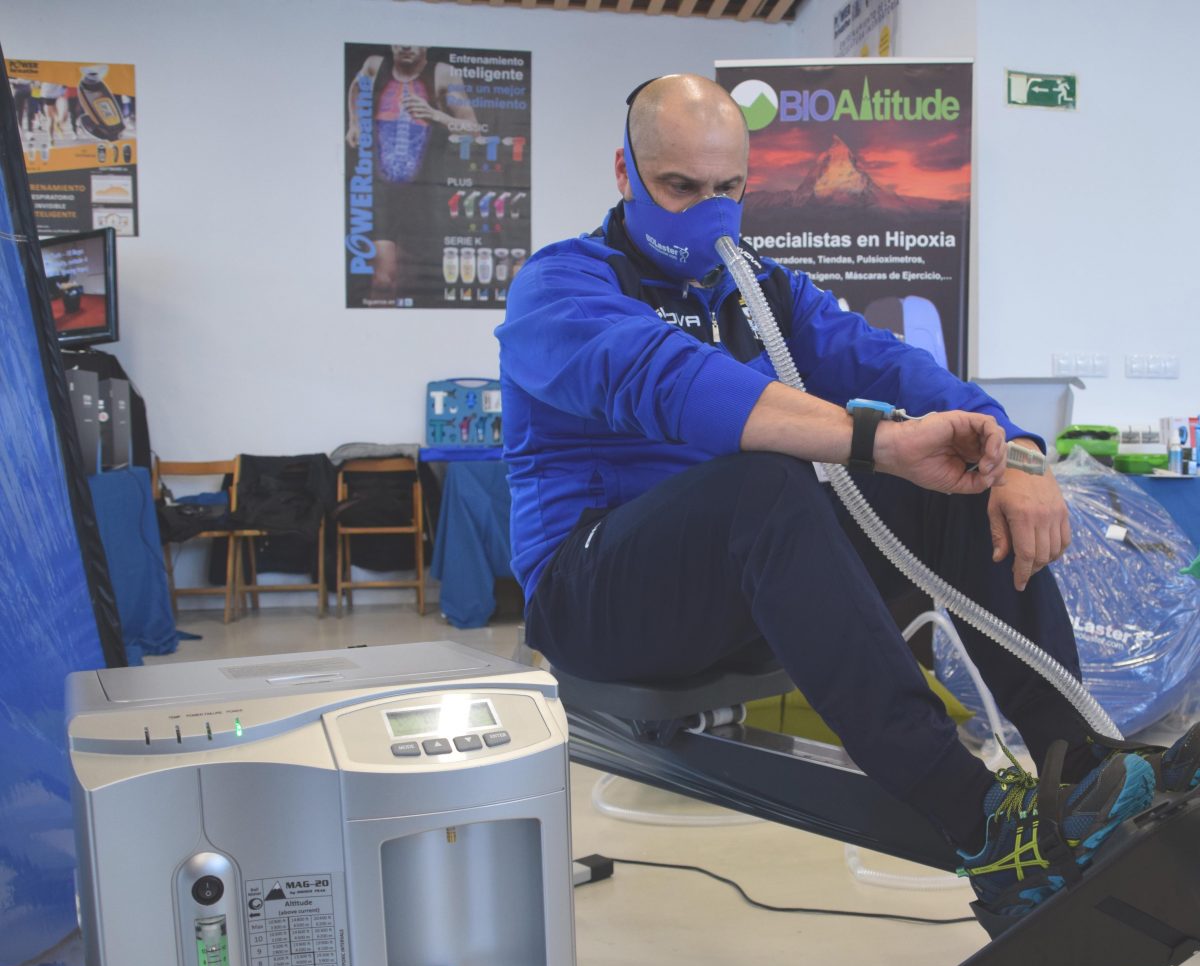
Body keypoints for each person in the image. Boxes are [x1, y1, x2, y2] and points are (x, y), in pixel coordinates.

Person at [497, 74, 1200, 920]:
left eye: (728, 190)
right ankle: (979, 820)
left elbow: (889, 364)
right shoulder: (560, 288)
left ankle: (1081, 768)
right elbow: (677, 385)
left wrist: (1014, 452)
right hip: (592, 592)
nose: (707, 213)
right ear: (625, 172)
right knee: (766, 477)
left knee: (949, 480)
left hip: (730, 582)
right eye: (680, 188)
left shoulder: (761, 291)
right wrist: (877, 439)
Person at [346, 46, 481, 304]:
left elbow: (473, 129)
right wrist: (354, 122)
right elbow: (356, 87)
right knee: (383, 279)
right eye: (399, 43)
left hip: (424, 194)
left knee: (416, 283)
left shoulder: (444, 75)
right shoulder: (375, 65)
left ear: (426, 46)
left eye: (413, 43)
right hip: (383, 190)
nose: (406, 47)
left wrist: (436, 115)